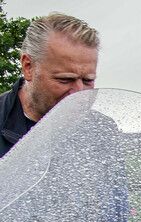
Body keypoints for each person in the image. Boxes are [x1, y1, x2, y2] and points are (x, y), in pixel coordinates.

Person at [0, 12, 99, 158]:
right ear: (28, 67)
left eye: (88, 80)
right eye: (65, 80)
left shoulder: (101, 130)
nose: (79, 93)